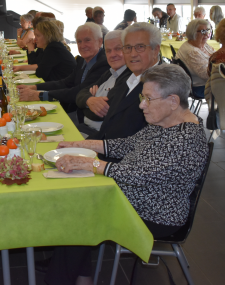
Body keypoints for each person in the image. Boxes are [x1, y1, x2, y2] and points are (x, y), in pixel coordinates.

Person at [44, 64, 209, 285]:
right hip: (135, 197)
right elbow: (126, 145)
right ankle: (79, 274)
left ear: (173, 101)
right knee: (78, 201)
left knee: (78, 215)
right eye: (143, 97)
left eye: (149, 99)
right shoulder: (166, 122)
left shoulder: (184, 139)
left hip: (156, 213)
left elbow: (135, 175)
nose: (142, 105)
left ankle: (63, 277)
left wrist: (88, 162)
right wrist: (76, 144)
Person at [18, 22, 109, 123]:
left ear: (100, 42)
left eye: (87, 40)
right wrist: (34, 87)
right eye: (79, 41)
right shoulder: (83, 60)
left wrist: (39, 95)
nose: (82, 45)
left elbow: (78, 91)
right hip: (74, 109)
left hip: (86, 118)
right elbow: (65, 82)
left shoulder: (103, 63)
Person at [88, 22, 162, 145]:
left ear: (156, 50)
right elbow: (107, 128)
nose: (132, 54)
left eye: (140, 47)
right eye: (128, 47)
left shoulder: (161, 85)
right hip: (105, 148)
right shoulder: (129, 78)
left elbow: (146, 144)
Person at [75, 31, 130, 135]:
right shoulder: (110, 73)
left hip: (100, 138)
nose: (113, 54)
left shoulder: (129, 77)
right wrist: (90, 100)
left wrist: (85, 104)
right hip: (86, 130)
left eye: (118, 48)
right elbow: (81, 93)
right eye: (108, 51)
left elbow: (102, 114)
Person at [176, 19, 215, 98]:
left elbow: (217, 56)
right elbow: (206, 75)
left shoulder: (203, 44)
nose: (207, 34)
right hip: (200, 87)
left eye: (208, 30)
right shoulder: (192, 51)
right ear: (193, 32)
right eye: (203, 31)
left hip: (209, 82)